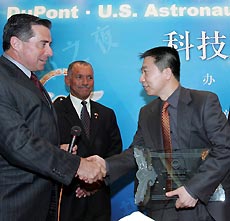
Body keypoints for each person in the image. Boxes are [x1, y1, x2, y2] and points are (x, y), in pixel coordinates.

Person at [88, 46, 230, 221]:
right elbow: (137, 153)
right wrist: (104, 165)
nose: (141, 79)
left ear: (167, 72)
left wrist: (193, 189)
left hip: (203, 205)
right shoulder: (147, 113)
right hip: (162, 208)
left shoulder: (204, 102)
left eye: (146, 72)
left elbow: (224, 149)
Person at [0, 13, 105, 221]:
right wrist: (76, 164)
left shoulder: (27, 80)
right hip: (13, 204)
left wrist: (56, 149)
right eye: (43, 44)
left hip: (38, 201)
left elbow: (28, 133)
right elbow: (17, 143)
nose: (50, 52)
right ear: (16, 43)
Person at [54, 60, 122, 221]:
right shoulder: (53, 112)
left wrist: (94, 184)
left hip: (99, 198)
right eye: (79, 77)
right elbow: (47, 150)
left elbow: (115, 151)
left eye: (90, 78)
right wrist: (80, 183)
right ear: (67, 80)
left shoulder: (106, 114)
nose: (85, 82)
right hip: (67, 198)